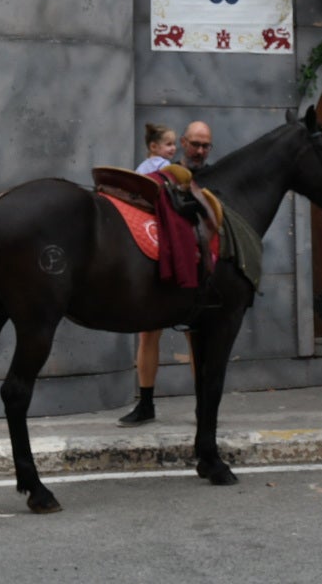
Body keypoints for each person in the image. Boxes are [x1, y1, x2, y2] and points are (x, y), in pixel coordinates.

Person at [119, 120, 214, 427]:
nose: (199, 151)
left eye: (205, 146)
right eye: (194, 144)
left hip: (196, 266)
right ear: (183, 143)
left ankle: (203, 407)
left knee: (196, 337)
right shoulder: (165, 173)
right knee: (148, 334)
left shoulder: (212, 177)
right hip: (161, 259)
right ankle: (145, 404)